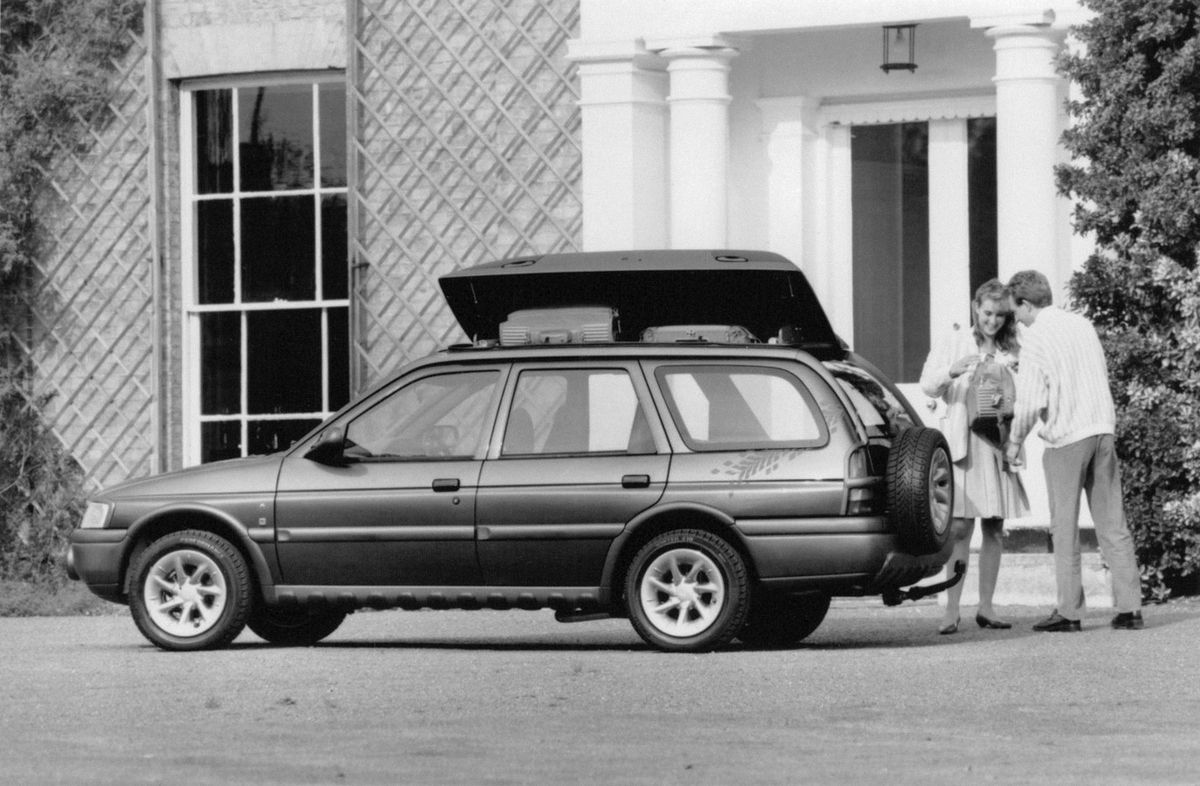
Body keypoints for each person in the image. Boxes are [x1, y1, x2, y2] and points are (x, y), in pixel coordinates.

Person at [1004, 270, 1143, 631]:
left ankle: (1069, 611)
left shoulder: (1036, 339)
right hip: (1101, 428)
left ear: (1026, 304)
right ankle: (1130, 607)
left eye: (1016, 310)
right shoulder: (1083, 325)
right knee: (1113, 522)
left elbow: (1032, 400)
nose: (1015, 318)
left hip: (1066, 437)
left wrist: (1015, 441)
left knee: (1063, 527)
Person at [920, 279, 1029, 634]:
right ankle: (951, 608)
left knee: (995, 526)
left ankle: (986, 607)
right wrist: (954, 369)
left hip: (995, 442)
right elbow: (927, 384)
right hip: (963, 441)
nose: (993, 321)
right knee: (961, 527)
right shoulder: (955, 341)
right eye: (987, 313)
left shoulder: (1011, 349)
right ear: (975, 308)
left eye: (1000, 315)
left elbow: (1020, 397)